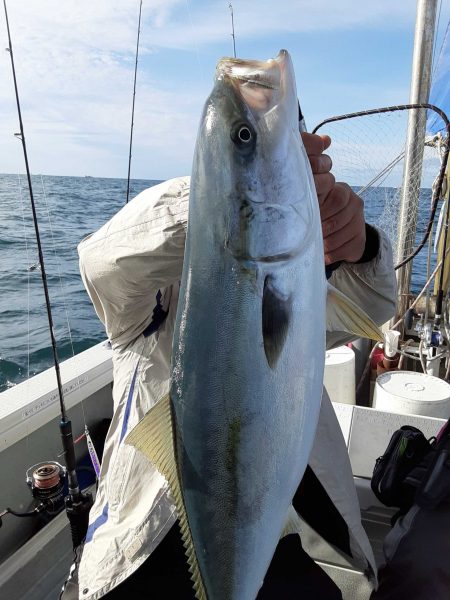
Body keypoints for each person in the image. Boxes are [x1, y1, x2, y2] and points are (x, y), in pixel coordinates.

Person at [60, 132, 396, 600]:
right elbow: (100, 260)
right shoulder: (141, 307)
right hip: (142, 538)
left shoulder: (290, 276)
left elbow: (375, 303)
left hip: (282, 521)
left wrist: (359, 245)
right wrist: (228, 196)